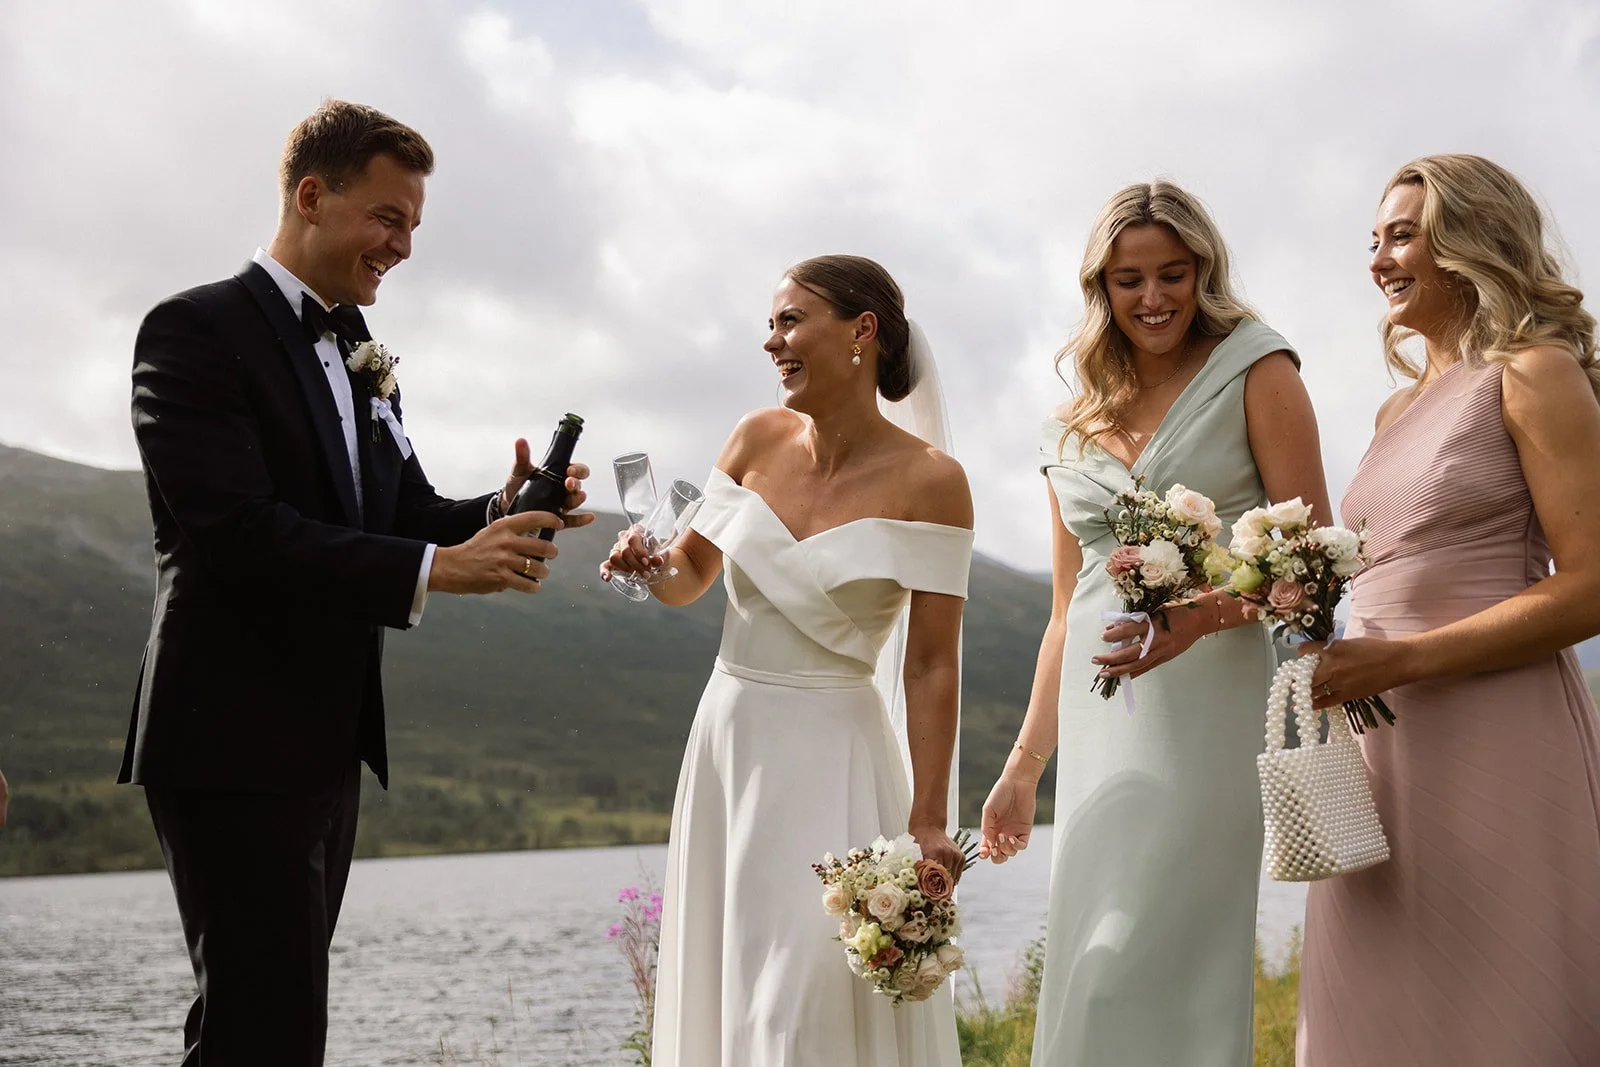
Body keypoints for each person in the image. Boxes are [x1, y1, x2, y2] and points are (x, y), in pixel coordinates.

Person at [121, 100, 591, 1067]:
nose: (403, 246)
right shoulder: (193, 330)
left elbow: (402, 512)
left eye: (413, 226)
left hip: (325, 743)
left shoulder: (362, 357)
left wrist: (498, 507)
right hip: (228, 738)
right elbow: (238, 532)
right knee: (263, 1027)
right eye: (388, 218)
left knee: (274, 1028)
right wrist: (436, 569)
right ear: (309, 196)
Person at [977, 180, 1331, 1065]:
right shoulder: (1074, 422)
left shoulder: (1259, 367)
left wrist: (1203, 619)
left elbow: (1313, 566)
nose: (1154, 298)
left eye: (1173, 273)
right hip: (1102, 721)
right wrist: (1023, 768)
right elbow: (1067, 612)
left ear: (1203, 269)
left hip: (1208, 706)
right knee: (1091, 952)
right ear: (1101, 288)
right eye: (1129, 280)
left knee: (1158, 952)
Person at [604, 255, 970, 1066]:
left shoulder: (933, 482)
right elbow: (689, 576)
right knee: (733, 985)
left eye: (790, 320)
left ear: (862, 332)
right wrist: (648, 565)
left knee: (806, 1007)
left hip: (838, 758)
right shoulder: (753, 437)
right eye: (771, 324)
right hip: (732, 745)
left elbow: (932, 665)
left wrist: (930, 819)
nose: (772, 341)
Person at [1298, 154, 1600, 1066]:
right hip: (1377, 747)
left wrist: (1403, 660)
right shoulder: (1394, 412)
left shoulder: (1534, 372)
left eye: (1402, 235)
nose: (1380, 259)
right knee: (1370, 1011)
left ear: (1470, 243)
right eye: (1375, 239)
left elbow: (1590, 583)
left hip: (1494, 733)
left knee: (1507, 1005)